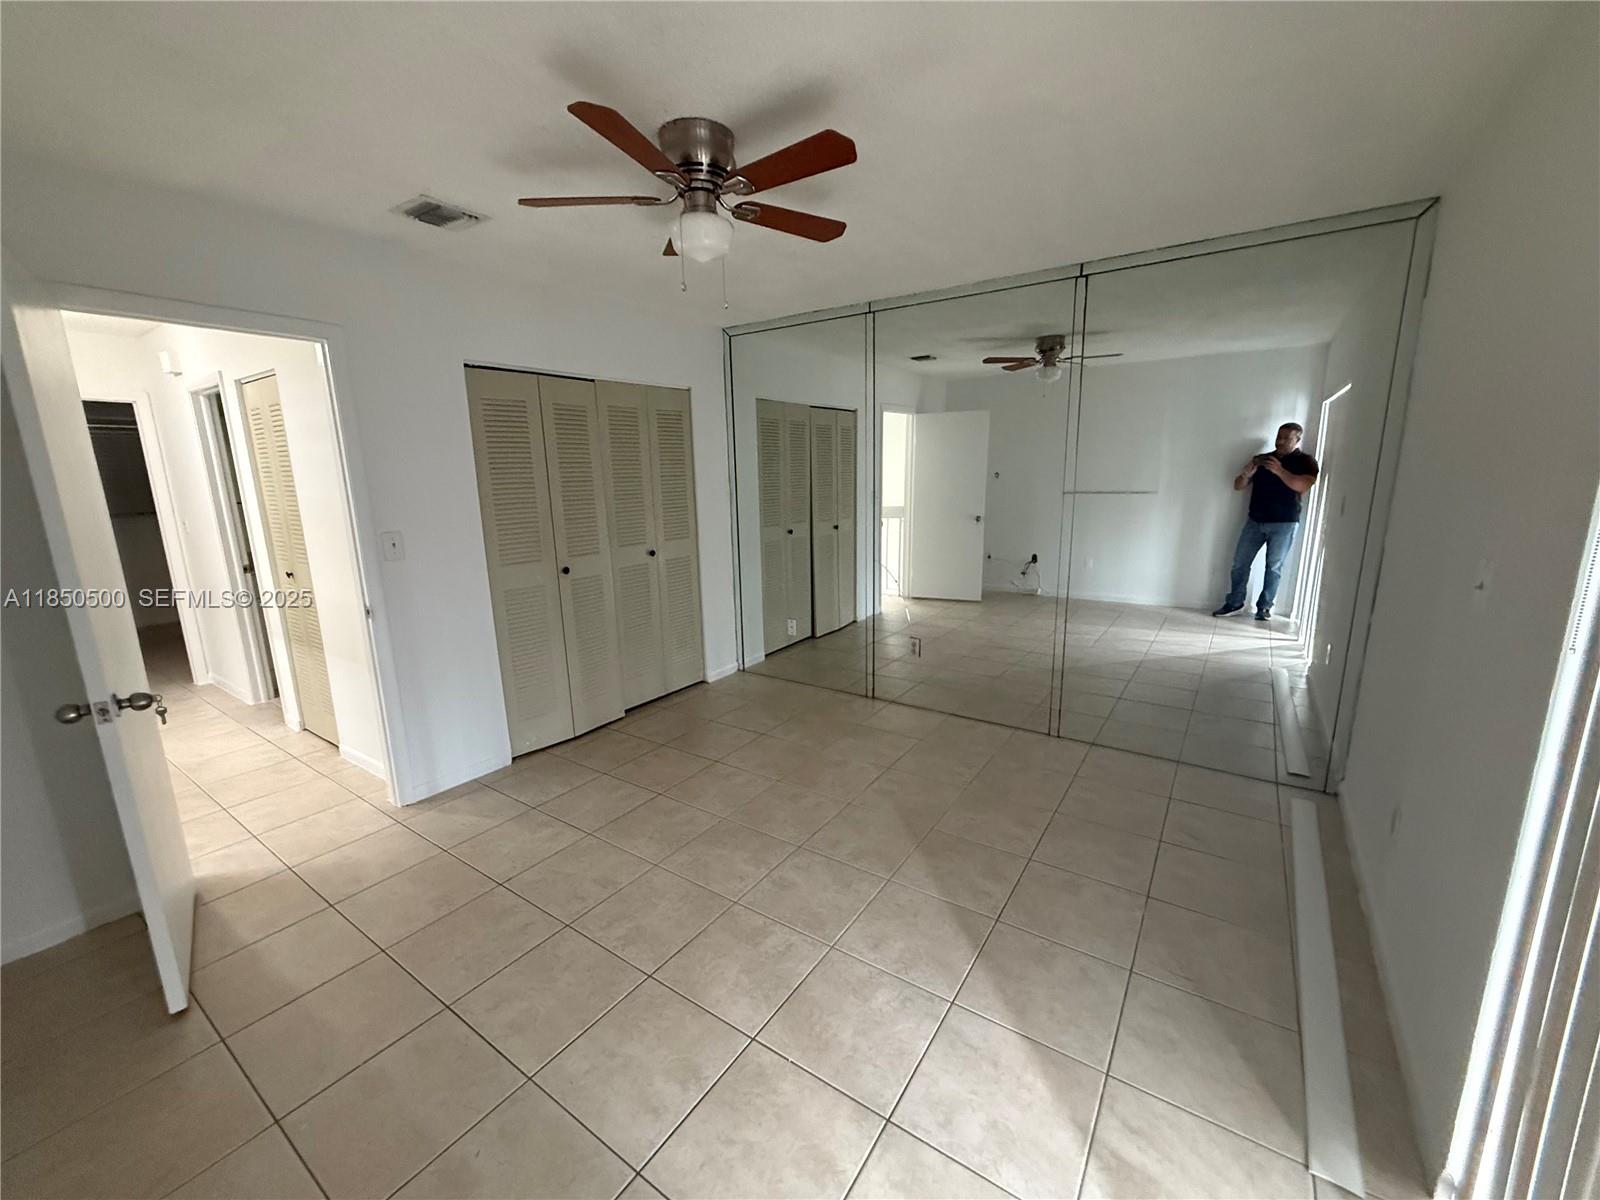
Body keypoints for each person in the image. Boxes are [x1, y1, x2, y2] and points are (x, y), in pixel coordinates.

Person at [1213, 422, 1319, 621]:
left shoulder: (1306, 462)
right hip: (1255, 520)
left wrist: (1279, 471)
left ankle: (1264, 608)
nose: (1279, 441)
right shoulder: (1261, 460)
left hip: (1284, 523)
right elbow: (1238, 485)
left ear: (1297, 440)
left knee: (1273, 567)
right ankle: (1234, 602)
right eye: (1279, 436)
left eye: (1286, 438)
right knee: (1240, 563)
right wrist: (1246, 475)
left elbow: (1303, 485)